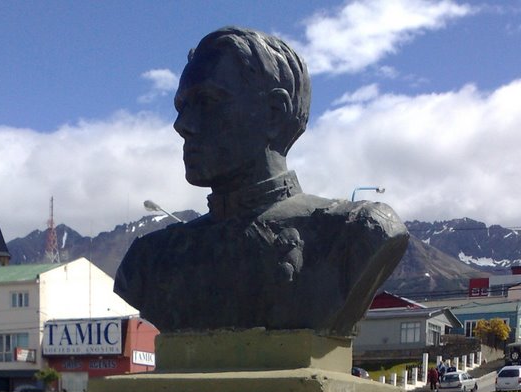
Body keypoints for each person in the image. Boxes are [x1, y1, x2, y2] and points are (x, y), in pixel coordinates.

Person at [116, 26, 408, 337]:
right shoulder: (151, 260)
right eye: (182, 107)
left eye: (207, 101)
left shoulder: (356, 233)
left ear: (274, 113)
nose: (182, 125)